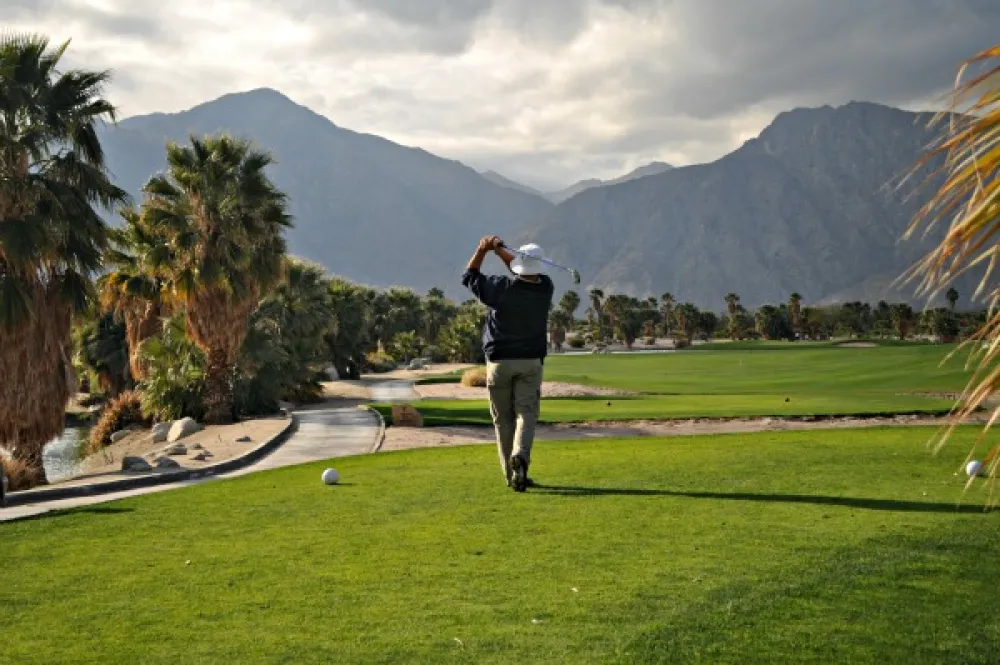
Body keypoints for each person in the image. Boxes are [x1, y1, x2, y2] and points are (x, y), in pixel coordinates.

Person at [462, 235, 554, 492]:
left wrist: (484, 249)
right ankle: (521, 455)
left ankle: (510, 476)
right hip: (531, 362)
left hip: (500, 362)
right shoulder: (545, 287)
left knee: (503, 419)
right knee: (526, 413)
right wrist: (501, 252)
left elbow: (469, 276)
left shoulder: (500, 288)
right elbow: (521, 269)